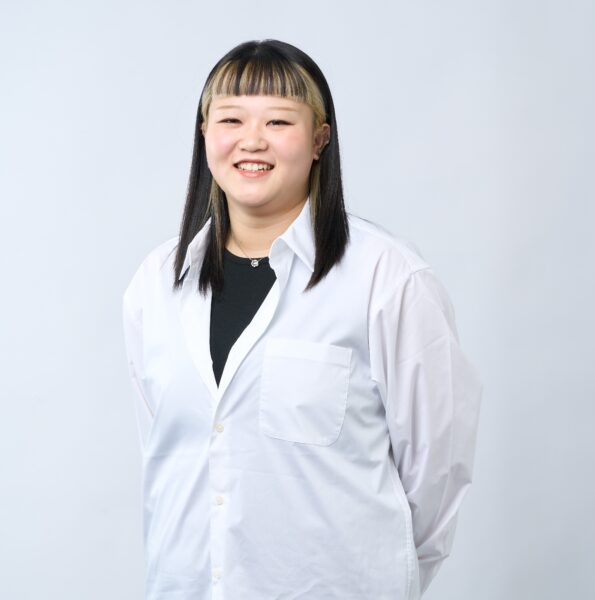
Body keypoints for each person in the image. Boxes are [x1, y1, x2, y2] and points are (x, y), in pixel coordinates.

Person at [122, 38, 483, 600]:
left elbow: (436, 474)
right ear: (204, 132)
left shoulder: (385, 279)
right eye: (231, 119)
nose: (252, 140)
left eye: (279, 121)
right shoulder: (158, 282)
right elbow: (166, 458)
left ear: (320, 139)